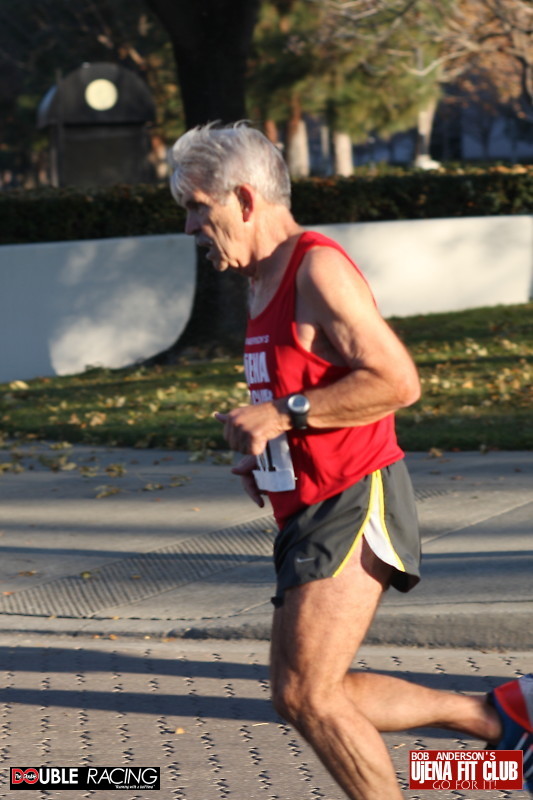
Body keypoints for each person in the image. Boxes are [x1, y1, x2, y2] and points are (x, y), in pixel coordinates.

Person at [169, 122, 532, 799]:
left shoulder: (316, 268)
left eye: (197, 207)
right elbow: (315, 390)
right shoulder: (259, 281)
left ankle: (499, 722)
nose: (190, 226)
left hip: (353, 497)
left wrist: (281, 415)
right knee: (301, 694)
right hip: (309, 506)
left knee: (308, 694)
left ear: (244, 199)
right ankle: (501, 718)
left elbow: (396, 381)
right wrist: (268, 451)